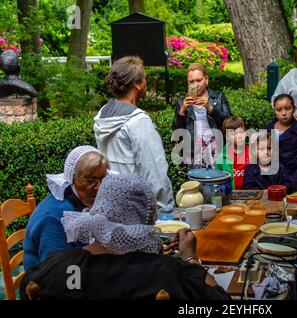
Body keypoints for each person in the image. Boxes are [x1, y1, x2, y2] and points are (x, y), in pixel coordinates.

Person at [20, 174, 231, 300]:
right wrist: (191, 259)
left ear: (98, 210)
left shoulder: (51, 271)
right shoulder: (171, 273)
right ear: (146, 218)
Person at [93, 56, 175, 213]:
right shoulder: (139, 121)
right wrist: (166, 211)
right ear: (137, 84)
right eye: (144, 78)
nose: (146, 83)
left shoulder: (102, 115)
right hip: (137, 211)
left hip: (111, 206)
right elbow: (154, 173)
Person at [23, 146, 109, 270]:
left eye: (104, 179)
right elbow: (57, 276)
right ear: (72, 179)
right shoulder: (54, 219)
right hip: (46, 284)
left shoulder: (81, 201)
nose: (99, 187)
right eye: (91, 180)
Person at [173, 63, 232, 168]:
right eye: (191, 82)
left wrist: (210, 108)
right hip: (193, 152)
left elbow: (229, 123)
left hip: (216, 150)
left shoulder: (218, 97)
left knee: (217, 182)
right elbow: (177, 132)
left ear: (206, 79)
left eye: (199, 80)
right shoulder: (182, 102)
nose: (195, 85)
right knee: (196, 183)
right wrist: (182, 110)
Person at [265, 94, 297, 189]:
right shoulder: (267, 129)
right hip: (269, 179)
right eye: (279, 110)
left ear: (294, 108)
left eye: (287, 108)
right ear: (274, 111)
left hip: (292, 180)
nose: (284, 113)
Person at [215, 116, 250, 190]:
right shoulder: (222, 157)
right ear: (227, 137)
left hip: (250, 192)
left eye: (241, 132)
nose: (240, 136)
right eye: (234, 134)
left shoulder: (253, 152)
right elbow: (217, 179)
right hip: (231, 194)